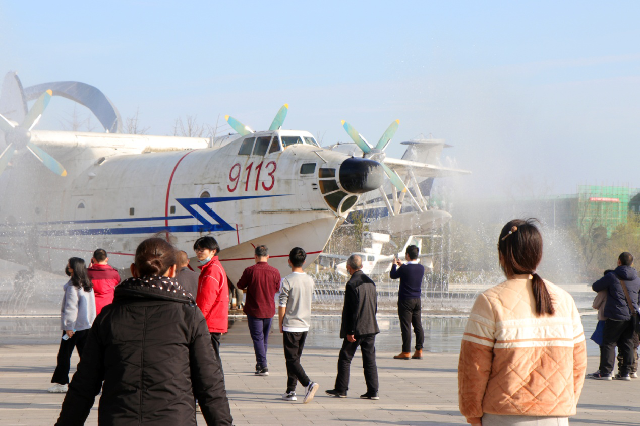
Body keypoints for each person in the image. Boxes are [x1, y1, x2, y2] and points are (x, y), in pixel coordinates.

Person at [54, 238, 233, 426]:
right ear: (173, 271)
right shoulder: (189, 316)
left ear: (133, 270)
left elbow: (84, 385)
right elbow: (210, 386)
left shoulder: (109, 317)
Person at [458, 219, 587, 426]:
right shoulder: (565, 300)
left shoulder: (490, 301)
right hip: (556, 416)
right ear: (538, 255)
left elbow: (473, 367)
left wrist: (472, 412)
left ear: (501, 254)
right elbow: (578, 364)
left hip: (504, 415)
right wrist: (562, 401)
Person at [325, 254, 380, 400]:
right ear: (361, 266)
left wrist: (350, 331)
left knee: (345, 357)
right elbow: (374, 306)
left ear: (349, 267)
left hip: (357, 329)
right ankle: (373, 391)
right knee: (369, 360)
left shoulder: (352, 284)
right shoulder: (371, 282)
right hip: (371, 327)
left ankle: (341, 389)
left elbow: (352, 310)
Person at [48, 257, 96, 394]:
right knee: (86, 356)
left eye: (69, 267)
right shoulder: (87, 285)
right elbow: (92, 308)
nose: (67, 269)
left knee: (64, 355)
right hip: (86, 326)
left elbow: (71, 308)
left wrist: (69, 327)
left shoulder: (73, 287)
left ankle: (62, 382)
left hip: (73, 328)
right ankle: (91, 381)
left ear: (74, 269)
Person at [590, 252, 640, 380]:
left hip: (616, 315)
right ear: (632, 263)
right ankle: (625, 373)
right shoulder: (636, 278)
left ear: (619, 262)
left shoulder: (612, 276)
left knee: (609, 343)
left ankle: (606, 372)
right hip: (631, 315)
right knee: (628, 343)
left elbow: (596, 286)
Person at [278, 247, 319, 403]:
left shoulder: (287, 280)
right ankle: (290, 391)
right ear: (304, 261)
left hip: (291, 325)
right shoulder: (310, 279)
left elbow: (282, 304)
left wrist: (281, 323)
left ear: (289, 261)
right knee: (295, 359)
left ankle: (308, 384)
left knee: (291, 360)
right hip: (305, 325)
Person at [237, 245, 281, 376]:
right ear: (268, 256)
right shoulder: (275, 271)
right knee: (264, 339)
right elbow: (277, 288)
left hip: (254, 310)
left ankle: (263, 365)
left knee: (257, 338)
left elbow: (240, 285)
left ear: (255, 256)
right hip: (269, 310)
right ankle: (260, 364)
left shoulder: (250, 270)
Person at [194, 236, 229, 367]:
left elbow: (206, 300)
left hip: (210, 321)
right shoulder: (213, 267)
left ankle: (217, 386)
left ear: (213, 251)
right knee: (212, 357)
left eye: (202, 249)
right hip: (213, 320)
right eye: (197, 249)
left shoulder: (212, 270)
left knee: (211, 359)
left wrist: (198, 320)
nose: (199, 252)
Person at [390, 244, 425, 360]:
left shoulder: (404, 269)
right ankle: (419, 350)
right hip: (417, 300)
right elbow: (410, 270)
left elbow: (393, 275)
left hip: (405, 300)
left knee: (406, 326)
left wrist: (394, 265)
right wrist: (402, 265)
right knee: (418, 325)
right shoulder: (421, 268)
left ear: (407, 255)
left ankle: (406, 352)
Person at [87, 249, 120, 315]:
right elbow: (117, 281)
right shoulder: (113, 273)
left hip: (92, 308)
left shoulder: (87, 273)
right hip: (108, 307)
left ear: (93, 259)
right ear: (106, 259)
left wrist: (90, 268)